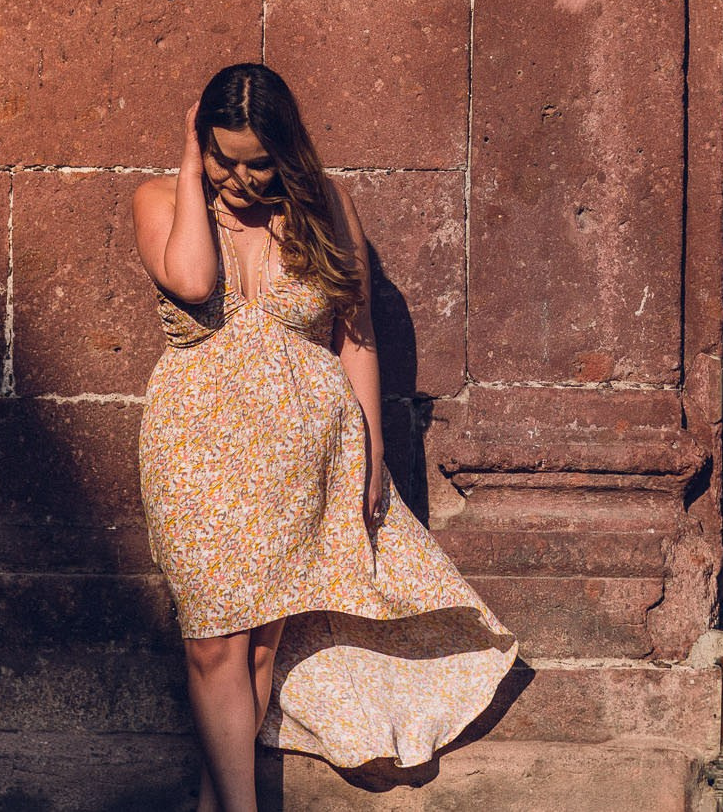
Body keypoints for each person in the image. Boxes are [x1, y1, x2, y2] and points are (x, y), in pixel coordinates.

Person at [134, 63, 515, 812]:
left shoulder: (324, 206)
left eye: (258, 160)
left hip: (299, 457)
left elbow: (357, 331)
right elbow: (191, 278)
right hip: (194, 449)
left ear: (288, 148)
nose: (240, 178)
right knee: (211, 640)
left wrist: (371, 448)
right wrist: (189, 163)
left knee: (263, 648)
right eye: (222, 155)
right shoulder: (160, 199)